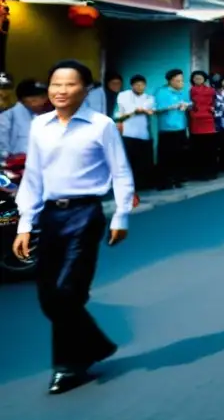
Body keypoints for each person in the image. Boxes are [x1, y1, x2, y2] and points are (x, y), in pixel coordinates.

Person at [12, 60, 135, 393]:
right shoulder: (40, 126)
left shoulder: (101, 125)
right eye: (55, 84)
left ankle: (67, 367)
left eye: (69, 85)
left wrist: (121, 215)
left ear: (86, 89)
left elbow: (121, 172)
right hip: (50, 216)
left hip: (85, 214)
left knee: (68, 292)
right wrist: (25, 223)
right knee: (48, 296)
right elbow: (34, 176)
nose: (61, 91)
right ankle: (96, 344)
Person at [114, 75, 155, 191]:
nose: (140, 87)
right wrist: (138, 110)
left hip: (144, 134)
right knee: (129, 160)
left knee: (143, 161)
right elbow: (128, 110)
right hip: (128, 133)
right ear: (132, 86)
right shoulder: (123, 95)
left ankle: (143, 185)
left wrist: (139, 110)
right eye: (137, 84)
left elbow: (146, 108)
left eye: (142, 84)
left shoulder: (149, 97)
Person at [154, 69, 190, 190]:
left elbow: (190, 103)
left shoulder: (183, 92)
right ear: (170, 81)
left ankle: (178, 179)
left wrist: (187, 105)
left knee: (180, 155)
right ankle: (164, 181)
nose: (181, 83)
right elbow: (156, 109)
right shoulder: (161, 92)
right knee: (166, 156)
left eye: (182, 80)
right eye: (178, 80)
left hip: (181, 127)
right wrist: (171, 107)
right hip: (167, 129)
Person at [0, 79, 50, 156]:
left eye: (45, 97)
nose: (44, 100)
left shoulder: (45, 117)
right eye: (41, 97)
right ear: (25, 99)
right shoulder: (7, 117)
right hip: (16, 165)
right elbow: (3, 150)